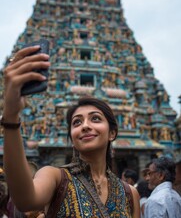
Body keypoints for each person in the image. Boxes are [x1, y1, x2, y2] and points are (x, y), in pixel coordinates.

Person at [1, 45, 140, 217]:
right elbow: (24, 200)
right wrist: (11, 115)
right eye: (77, 122)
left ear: (112, 132)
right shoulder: (55, 177)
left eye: (95, 118)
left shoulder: (130, 194)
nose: (85, 126)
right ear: (72, 137)